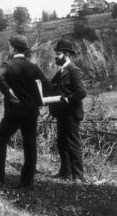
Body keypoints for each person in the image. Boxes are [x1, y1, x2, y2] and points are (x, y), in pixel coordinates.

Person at [0, 35, 50, 188]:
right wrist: (36, 99)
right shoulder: (33, 66)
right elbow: (46, 86)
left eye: (9, 46)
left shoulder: (8, 64)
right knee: (30, 144)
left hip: (14, 112)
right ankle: (27, 181)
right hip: (31, 111)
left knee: (0, 140)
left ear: (13, 48)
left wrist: (8, 91)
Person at [49, 39, 86, 183]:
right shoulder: (61, 72)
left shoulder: (73, 70)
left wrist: (67, 99)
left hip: (71, 114)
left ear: (66, 54)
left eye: (57, 54)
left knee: (73, 144)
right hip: (62, 114)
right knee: (62, 143)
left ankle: (78, 176)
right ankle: (65, 172)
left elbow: (81, 92)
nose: (55, 57)